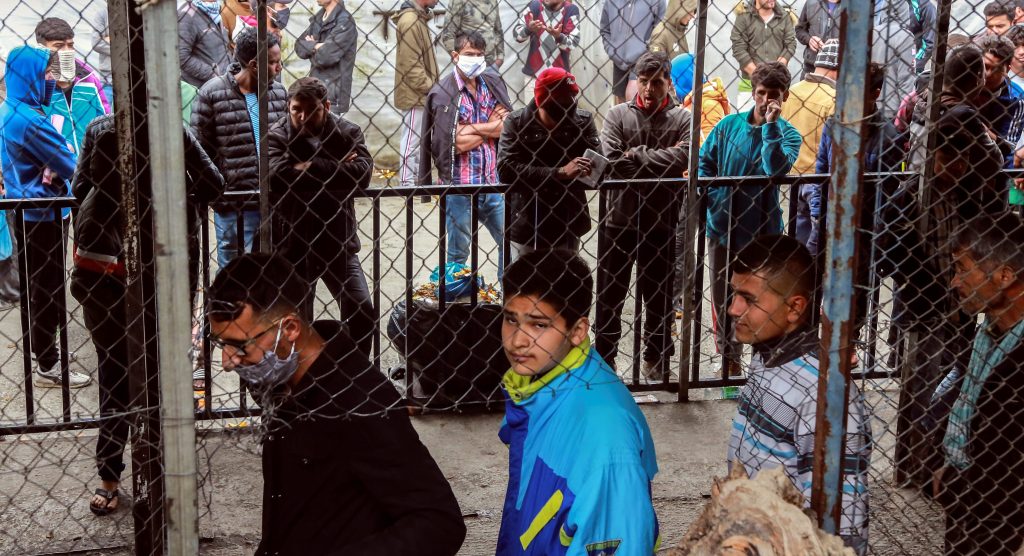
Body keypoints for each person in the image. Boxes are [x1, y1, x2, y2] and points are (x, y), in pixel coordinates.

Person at [206, 253, 466, 555]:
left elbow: (438, 523)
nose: (227, 361)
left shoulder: (360, 401)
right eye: (220, 343)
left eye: (239, 345)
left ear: (289, 328)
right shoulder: (285, 385)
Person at [71, 113, 224, 516]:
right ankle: (159, 475)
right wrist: (174, 193)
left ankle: (115, 476)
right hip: (159, 269)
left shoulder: (103, 130)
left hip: (121, 275)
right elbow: (213, 185)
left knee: (116, 375)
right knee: (158, 373)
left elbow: (78, 187)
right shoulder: (168, 129)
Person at [496, 250, 659, 555]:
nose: (517, 340)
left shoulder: (606, 436)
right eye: (510, 320)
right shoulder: (543, 386)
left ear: (578, 331)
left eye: (538, 325)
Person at [726, 234, 871, 554]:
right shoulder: (766, 358)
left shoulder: (822, 394)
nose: (733, 309)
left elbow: (843, 524)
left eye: (748, 299)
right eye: (734, 293)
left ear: (795, 308)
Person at [698, 61, 801, 377]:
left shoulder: (788, 134)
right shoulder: (728, 126)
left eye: (773, 94)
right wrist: (714, 198)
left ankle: (762, 361)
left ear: (783, 96)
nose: (766, 100)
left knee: (762, 298)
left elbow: (776, 169)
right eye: (760, 93)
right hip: (723, 226)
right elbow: (705, 163)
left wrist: (770, 127)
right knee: (723, 297)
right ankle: (729, 358)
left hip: (762, 233)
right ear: (753, 92)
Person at [595, 51, 690, 380]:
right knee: (610, 297)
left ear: (668, 83)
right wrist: (661, 160)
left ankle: (657, 359)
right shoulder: (618, 114)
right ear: (636, 80)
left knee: (659, 300)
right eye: (644, 81)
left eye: (657, 82)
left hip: (660, 222)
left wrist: (635, 154)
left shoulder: (682, 118)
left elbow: (685, 156)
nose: (649, 89)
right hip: (618, 221)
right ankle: (605, 362)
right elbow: (611, 161)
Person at [266, 77, 375, 359]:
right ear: (288, 107)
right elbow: (277, 176)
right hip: (294, 241)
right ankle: (304, 379)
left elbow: (362, 174)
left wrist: (311, 166)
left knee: (361, 308)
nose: (302, 117)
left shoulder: (347, 130)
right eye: (296, 110)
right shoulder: (277, 134)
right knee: (298, 319)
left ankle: (355, 369)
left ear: (326, 106)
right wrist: (337, 167)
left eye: (311, 110)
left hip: (337, 239)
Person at [934, 213, 1024, 555]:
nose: (955, 282)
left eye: (962, 268)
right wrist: (950, 463)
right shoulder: (986, 331)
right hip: (968, 498)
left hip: (1005, 517)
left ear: (1004, 276)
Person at [0, 45, 87, 388]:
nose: (51, 78)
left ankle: (47, 352)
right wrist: (61, 156)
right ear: (30, 77)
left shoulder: (12, 109)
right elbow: (72, 163)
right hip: (42, 212)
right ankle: (48, 362)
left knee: (40, 286)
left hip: (28, 209)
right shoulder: (31, 121)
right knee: (46, 289)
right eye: (45, 73)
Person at [191, 27, 287, 268]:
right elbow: (200, 151)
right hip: (235, 202)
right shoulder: (212, 93)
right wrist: (219, 193)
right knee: (234, 271)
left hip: (274, 200)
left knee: (272, 269)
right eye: (274, 62)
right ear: (254, 64)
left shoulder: (279, 93)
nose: (279, 68)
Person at [419, 32, 512, 278]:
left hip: (492, 183)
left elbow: (505, 126)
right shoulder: (443, 92)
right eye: (470, 55)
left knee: (509, 242)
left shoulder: (492, 83)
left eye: (480, 55)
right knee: (458, 253)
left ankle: (507, 297)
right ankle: (458, 303)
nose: (476, 59)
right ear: (455, 56)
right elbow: (452, 144)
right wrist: (488, 129)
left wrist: (469, 130)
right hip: (459, 186)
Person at [496, 67, 600, 256]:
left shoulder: (580, 121)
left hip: (567, 216)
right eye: (561, 99)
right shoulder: (517, 122)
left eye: (571, 98)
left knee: (566, 279)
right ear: (542, 101)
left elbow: (598, 166)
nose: (569, 105)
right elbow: (505, 169)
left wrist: (585, 168)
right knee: (526, 280)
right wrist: (560, 172)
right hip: (527, 216)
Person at [35, 18, 111, 153]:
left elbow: (105, 118)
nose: (66, 51)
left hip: (90, 164)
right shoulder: (35, 86)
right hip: (55, 165)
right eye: (58, 46)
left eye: (70, 45)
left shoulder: (89, 79)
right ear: (42, 49)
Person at [393, 0, 440, 186]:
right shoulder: (410, 21)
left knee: (417, 140)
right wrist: (433, 88)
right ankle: (407, 183)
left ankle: (414, 181)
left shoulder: (418, 19)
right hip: (416, 95)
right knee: (412, 140)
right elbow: (411, 66)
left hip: (422, 93)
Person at [780, 39, 838, 176]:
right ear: (837, 70)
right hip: (815, 177)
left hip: (785, 172)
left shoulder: (791, 91)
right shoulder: (835, 98)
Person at [730, 0, 796, 112]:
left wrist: (775, 72)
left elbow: (790, 45)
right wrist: (758, 76)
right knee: (747, 125)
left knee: (774, 124)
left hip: (777, 85)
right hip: (749, 85)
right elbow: (739, 48)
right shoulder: (744, 16)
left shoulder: (785, 17)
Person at [295, 0, 358, 115]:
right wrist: (318, 46)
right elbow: (299, 46)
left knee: (329, 131)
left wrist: (312, 47)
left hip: (333, 96)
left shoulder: (345, 22)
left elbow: (325, 57)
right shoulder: (318, 18)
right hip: (314, 91)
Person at [512, 0, 581, 99]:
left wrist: (559, 37)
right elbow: (517, 36)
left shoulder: (571, 9)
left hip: (559, 79)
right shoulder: (534, 5)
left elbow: (572, 44)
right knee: (532, 114)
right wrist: (528, 29)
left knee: (558, 114)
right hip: (534, 77)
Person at [600, 0, 664, 105]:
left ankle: (637, 121)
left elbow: (659, 31)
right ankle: (624, 121)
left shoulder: (657, 2)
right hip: (618, 59)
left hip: (642, 59)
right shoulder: (610, 2)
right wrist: (611, 51)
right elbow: (605, 30)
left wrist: (647, 50)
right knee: (620, 103)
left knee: (633, 99)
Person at [178, 0, 232, 90]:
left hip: (224, 84)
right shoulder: (186, 15)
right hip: (205, 90)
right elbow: (181, 56)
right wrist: (213, 74)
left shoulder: (216, 10)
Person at [439, 0, 504, 70]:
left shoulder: (493, 1)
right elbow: (448, 33)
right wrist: (459, 60)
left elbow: (498, 30)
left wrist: (500, 58)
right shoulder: (458, 1)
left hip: (490, 63)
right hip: (469, 64)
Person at [795, 0, 840, 76]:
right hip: (811, 67)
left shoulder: (853, 6)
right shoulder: (811, 2)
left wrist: (841, 41)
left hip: (839, 69)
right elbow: (799, 29)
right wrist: (809, 40)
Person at [89, 3, 113, 101]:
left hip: (136, 75)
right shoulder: (102, 13)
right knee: (105, 114)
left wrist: (110, 40)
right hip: (108, 78)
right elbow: (97, 43)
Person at [908, 0, 937, 73]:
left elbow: (930, 43)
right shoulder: (890, 3)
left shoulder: (926, 6)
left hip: (913, 63)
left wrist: (916, 63)